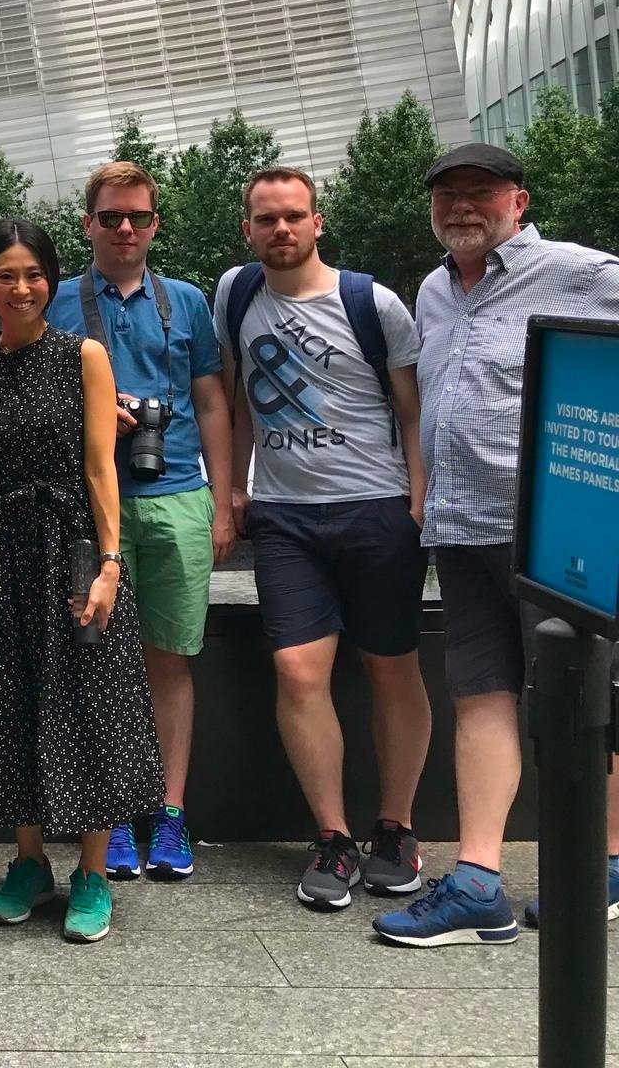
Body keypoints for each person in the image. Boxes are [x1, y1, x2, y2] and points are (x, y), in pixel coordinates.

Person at [375, 143, 619, 946]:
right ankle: (479, 882)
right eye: (447, 195)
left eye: (480, 192)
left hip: (555, 535)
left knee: (588, 698)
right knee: (479, 695)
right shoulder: (434, 288)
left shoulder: (579, 272)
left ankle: (609, 863)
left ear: (519, 200)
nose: (461, 207)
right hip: (461, 526)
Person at [216, 168, 431, 912]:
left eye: (293, 216)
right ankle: (333, 837)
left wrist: (418, 502)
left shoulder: (373, 303)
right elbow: (237, 398)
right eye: (266, 218)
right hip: (285, 517)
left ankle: (396, 828)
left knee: (392, 668)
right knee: (297, 671)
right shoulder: (235, 293)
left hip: (375, 508)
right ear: (248, 229)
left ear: (317, 223)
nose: (280, 229)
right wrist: (233, 488)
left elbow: (412, 411)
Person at [0, 218, 162, 944]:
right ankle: (29, 861)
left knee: (90, 703)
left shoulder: (84, 355)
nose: (21, 288)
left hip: (72, 547)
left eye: (33, 274)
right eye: (5, 275)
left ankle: (94, 872)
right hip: (3, 557)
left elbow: (102, 467)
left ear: (50, 280)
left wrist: (109, 564)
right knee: (10, 702)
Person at [45, 160, 233, 881]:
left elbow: (211, 401)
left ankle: (169, 809)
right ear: (87, 224)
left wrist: (223, 499)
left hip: (176, 494)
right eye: (111, 217)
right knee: (96, 657)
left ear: (155, 224)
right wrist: (95, 413)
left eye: (139, 217)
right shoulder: (57, 302)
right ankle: (113, 813)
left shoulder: (185, 301)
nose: (125, 229)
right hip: (88, 502)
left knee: (170, 659)